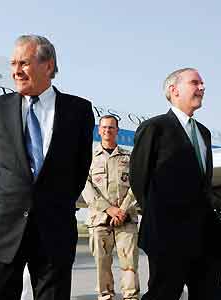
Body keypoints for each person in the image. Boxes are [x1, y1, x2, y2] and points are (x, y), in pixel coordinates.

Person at [0, 34, 95, 300]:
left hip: (55, 228)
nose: (15, 71)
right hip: (4, 227)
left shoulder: (79, 111)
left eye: (24, 63)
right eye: (13, 63)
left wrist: (53, 200)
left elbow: (79, 168)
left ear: (48, 66)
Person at [129, 68, 221, 300]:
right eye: (195, 82)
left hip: (205, 235)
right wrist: (161, 219)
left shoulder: (204, 133)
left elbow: (204, 182)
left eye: (202, 83)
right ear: (174, 90)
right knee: (164, 293)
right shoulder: (155, 128)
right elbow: (139, 178)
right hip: (169, 235)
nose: (202, 87)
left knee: (209, 293)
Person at [82, 115, 140, 300]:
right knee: (102, 264)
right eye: (104, 127)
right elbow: (86, 187)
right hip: (99, 221)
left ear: (117, 130)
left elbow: (136, 185)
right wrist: (109, 209)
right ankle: (105, 296)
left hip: (126, 219)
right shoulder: (88, 158)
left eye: (111, 127)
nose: (108, 130)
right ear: (99, 130)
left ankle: (131, 297)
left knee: (130, 263)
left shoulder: (129, 157)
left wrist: (122, 209)